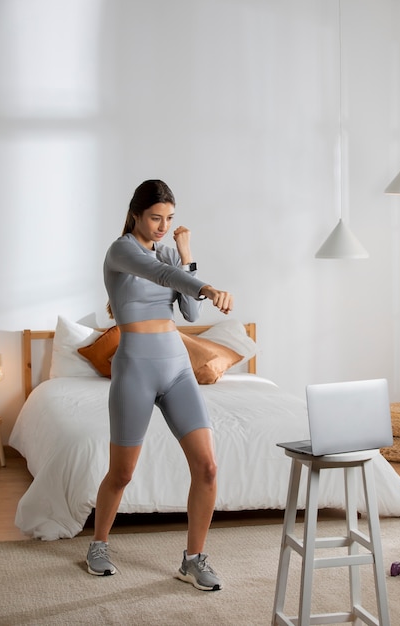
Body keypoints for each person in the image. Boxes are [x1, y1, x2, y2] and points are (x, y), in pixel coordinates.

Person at [86, 179, 233, 591]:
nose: (162, 226)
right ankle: (98, 545)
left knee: (207, 466)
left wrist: (189, 258)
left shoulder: (170, 251)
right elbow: (158, 272)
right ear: (136, 214)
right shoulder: (121, 251)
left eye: (169, 219)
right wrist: (203, 285)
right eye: (155, 217)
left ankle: (193, 559)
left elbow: (186, 312)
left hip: (177, 367)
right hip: (135, 368)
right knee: (122, 472)